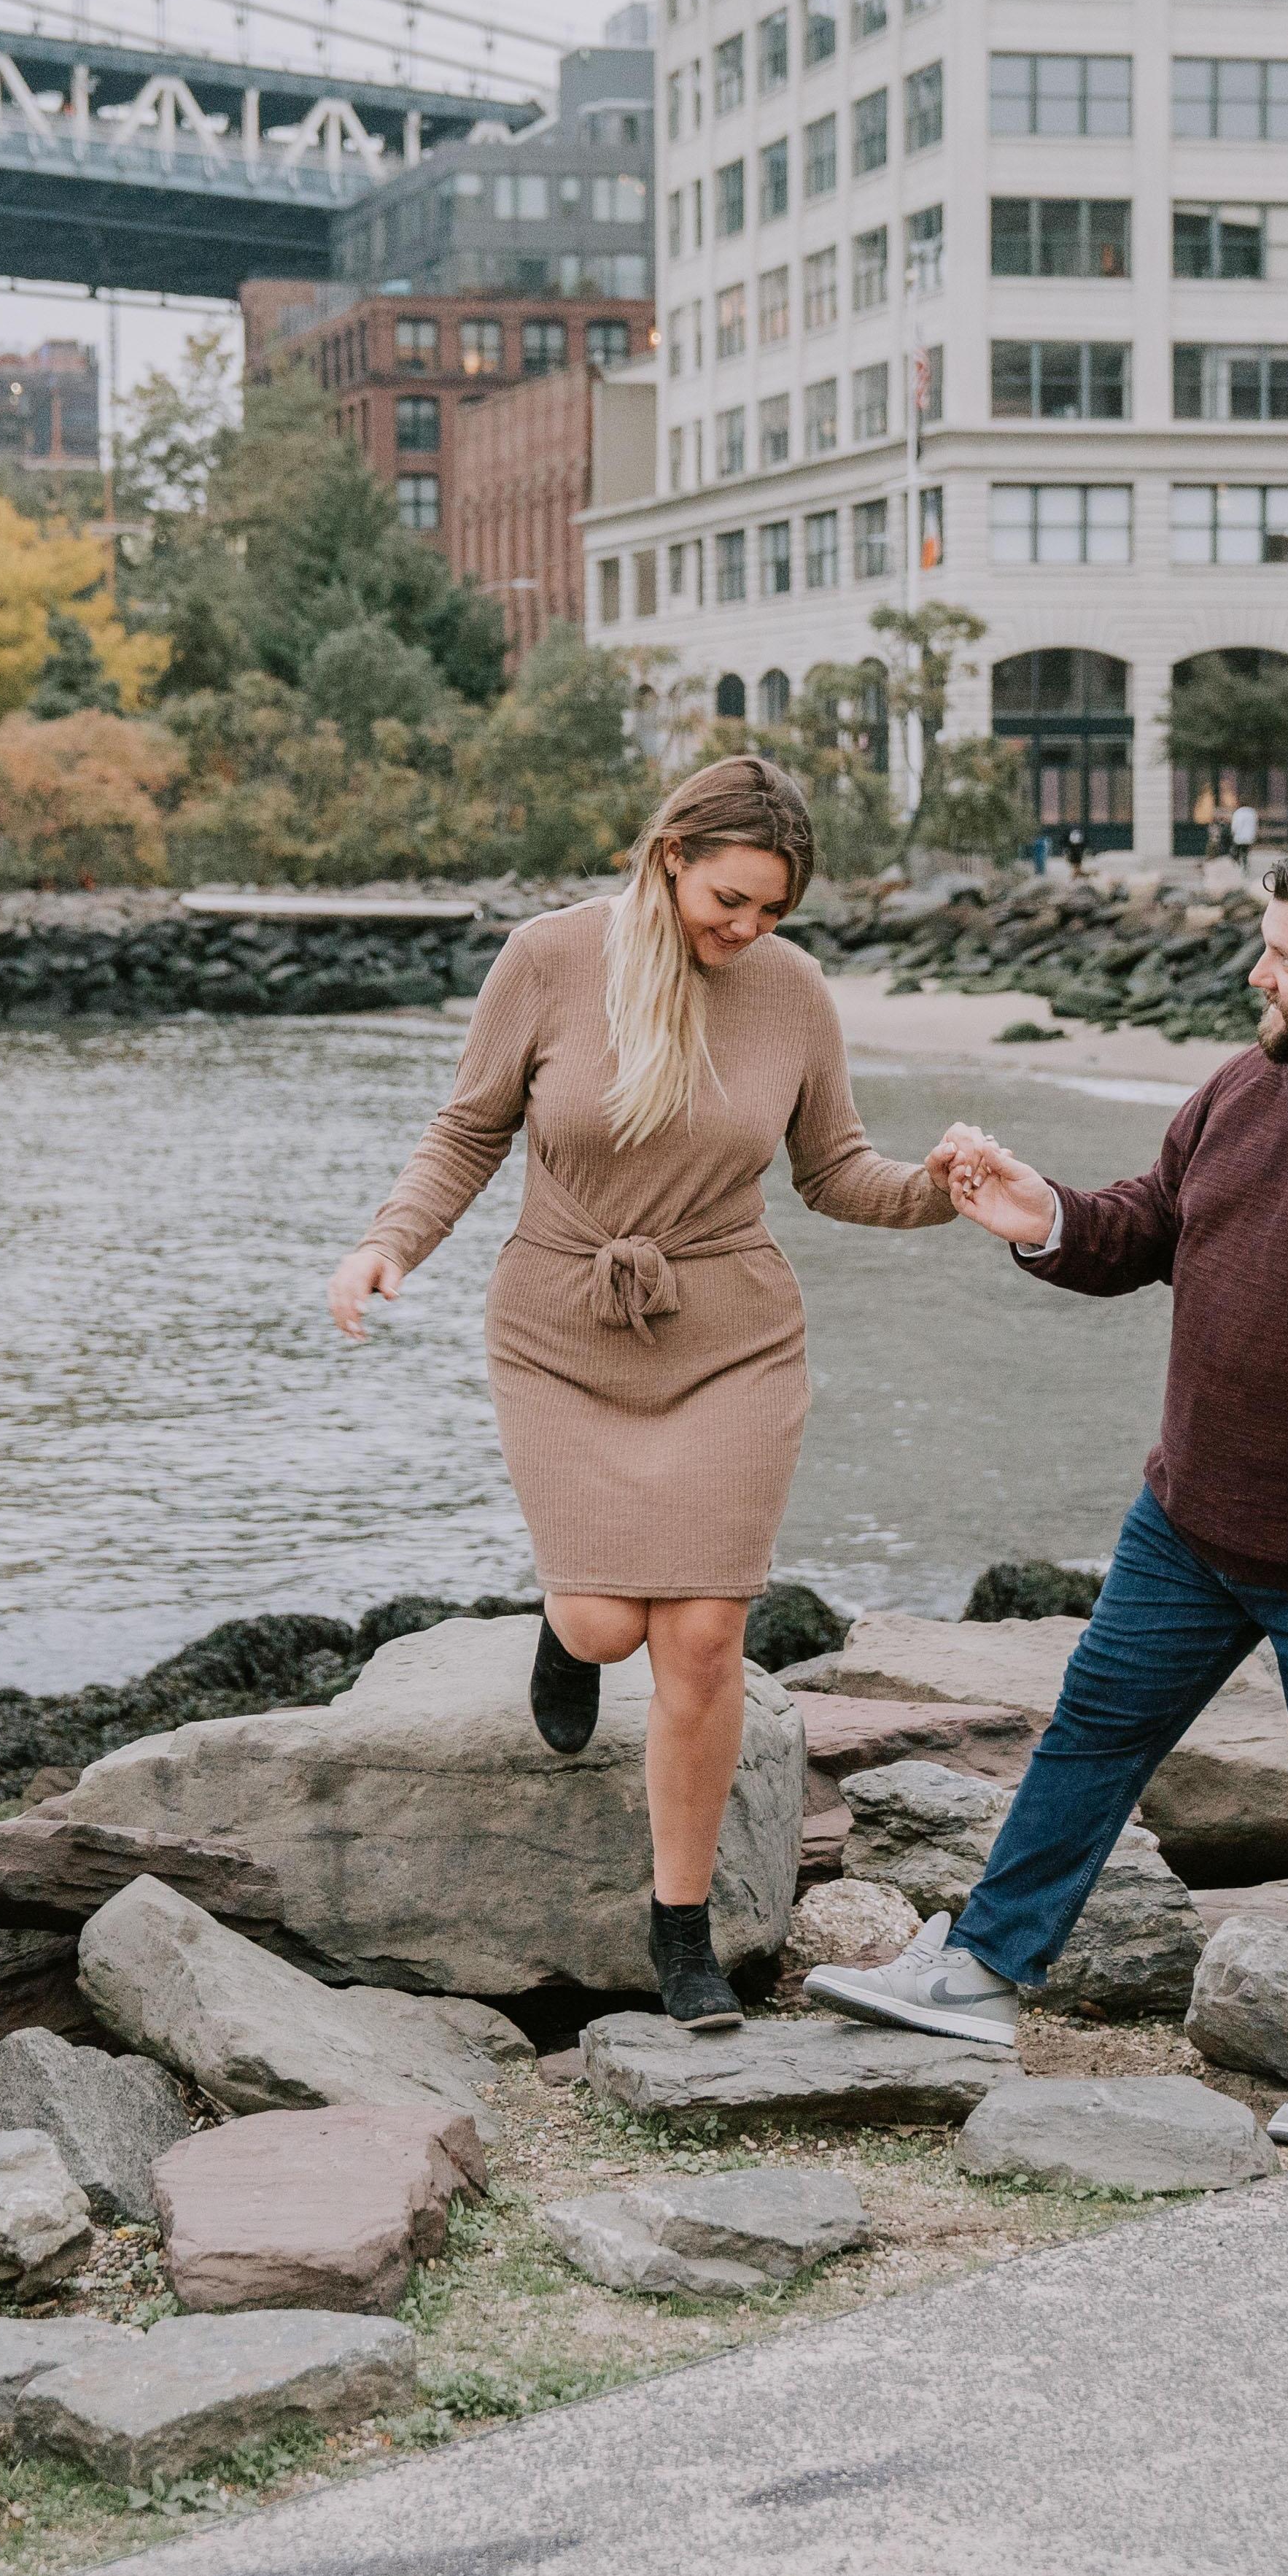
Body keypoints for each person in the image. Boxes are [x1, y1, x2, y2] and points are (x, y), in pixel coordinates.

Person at [811, 843, 1288, 2148]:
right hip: (1190, 1523)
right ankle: (981, 1973)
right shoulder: (1246, 1085)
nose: (1256, 974)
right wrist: (1044, 1215)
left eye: (1285, 958)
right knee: (1089, 1737)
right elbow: (1157, 1224)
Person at [329, 756, 966, 2026]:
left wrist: (940, 1188)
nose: (749, 930)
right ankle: (564, 1632)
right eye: (731, 899)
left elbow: (835, 1170)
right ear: (672, 855)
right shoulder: (550, 959)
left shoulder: (790, 990)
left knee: (704, 1634)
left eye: (774, 910)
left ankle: (682, 1928)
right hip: (562, 1325)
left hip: (732, 1333)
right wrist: (389, 1242)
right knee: (609, 1622)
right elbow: (468, 1129)